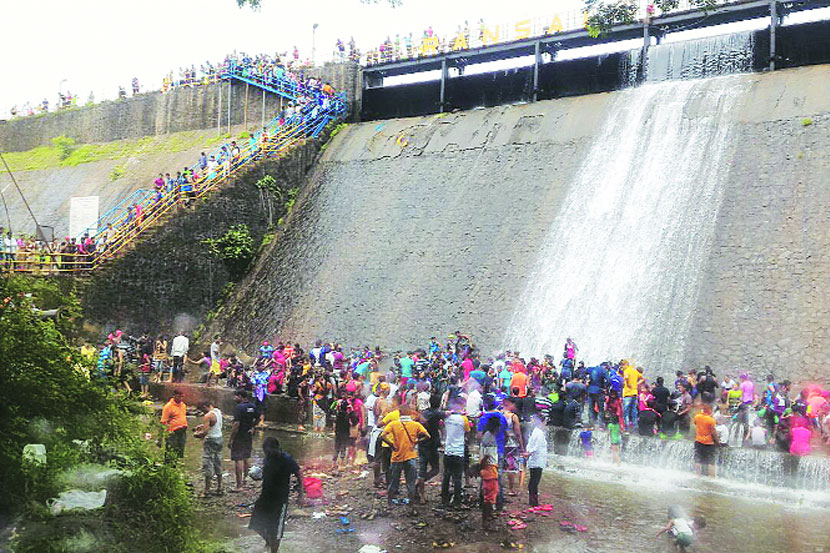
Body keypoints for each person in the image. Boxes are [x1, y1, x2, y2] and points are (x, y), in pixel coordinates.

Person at [249, 437, 304, 553]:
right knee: (256, 522)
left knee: (276, 529)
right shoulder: (268, 458)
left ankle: (274, 549)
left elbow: (299, 473)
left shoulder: (286, 459)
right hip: (265, 495)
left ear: (276, 448)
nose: (266, 453)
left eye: (268, 451)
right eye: (265, 451)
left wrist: (300, 495)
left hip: (280, 499)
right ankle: (269, 540)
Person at [381, 404, 429, 514]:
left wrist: (392, 445)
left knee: (393, 482)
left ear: (400, 413)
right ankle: (411, 507)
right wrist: (417, 441)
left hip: (397, 457)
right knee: (410, 483)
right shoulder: (415, 425)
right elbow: (427, 436)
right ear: (409, 413)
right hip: (411, 456)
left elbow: (383, 435)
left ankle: (389, 504)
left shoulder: (393, 424)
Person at [441, 398, 470, 508]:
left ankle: (444, 500)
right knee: (457, 478)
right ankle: (457, 501)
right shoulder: (464, 419)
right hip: (459, 451)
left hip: (448, 450)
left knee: (446, 476)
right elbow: (467, 431)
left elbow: (443, 428)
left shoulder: (447, 417)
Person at [416, 394, 444, 503]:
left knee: (423, 470)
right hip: (431, 445)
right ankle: (419, 489)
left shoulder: (425, 413)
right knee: (435, 469)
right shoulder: (436, 414)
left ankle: (419, 489)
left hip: (423, 444)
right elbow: (442, 415)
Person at [228, 390, 258, 492]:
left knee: (238, 458)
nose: (234, 399)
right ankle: (245, 481)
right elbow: (258, 417)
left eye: (235, 396)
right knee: (246, 456)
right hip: (248, 435)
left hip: (239, 435)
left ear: (240, 396)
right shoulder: (252, 406)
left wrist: (231, 438)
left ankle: (239, 486)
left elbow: (236, 424)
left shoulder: (239, 407)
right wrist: (253, 427)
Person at [195, 400, 223, 497]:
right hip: (219, 438)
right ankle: (220, 488)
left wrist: (196, 434)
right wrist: (202, 426)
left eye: (202, 410)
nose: (203, 413)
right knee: (218, 462)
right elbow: (214, 424)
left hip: (211, 440)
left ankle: (206, 490)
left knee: (207, 463)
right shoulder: (218, 411)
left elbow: (205, 432)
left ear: (205, 407)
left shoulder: (208, 416)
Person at [523, 416, 547, 506]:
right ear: (541, 422)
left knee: (533, 480)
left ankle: (532, 501)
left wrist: (527, 453)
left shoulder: (535, 432)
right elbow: (536, 447)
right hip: (537, 460)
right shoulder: (539, 433)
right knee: (535, 481)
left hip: (534, 459)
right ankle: (533, 502)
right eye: (545, 422)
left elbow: (531, 445)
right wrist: (528, 453)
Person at [161, 390, 188, 462]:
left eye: (182, 397)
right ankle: (168, 467)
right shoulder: (168, 407)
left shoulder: (183, 405)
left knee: (180, 450)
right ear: (174, 396)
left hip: (182, 431)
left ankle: (175, 466)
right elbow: (163, 422)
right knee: (171, 451)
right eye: (179, 397)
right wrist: (160, 438)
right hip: (172, 432)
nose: (181, 398)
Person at [693, 402, 719, 477]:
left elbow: (695, 423)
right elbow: (713, 432)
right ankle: (712, 478)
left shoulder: (697, 416)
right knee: (711, 462)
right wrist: (717, 442)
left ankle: (698, 476)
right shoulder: (711, 420)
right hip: (709, 443)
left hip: (698, 440)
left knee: (697, 459)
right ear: (710, 410)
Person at [477, 454, 499, 526]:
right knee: (489, 498)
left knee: (490, 496)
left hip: (489, 473)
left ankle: (488, 515)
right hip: (490, 474)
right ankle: (485, 520)